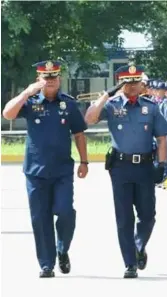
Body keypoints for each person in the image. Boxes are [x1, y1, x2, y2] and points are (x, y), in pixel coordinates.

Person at [2, 60, 88, 278]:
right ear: (38, 80)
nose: (50, 81)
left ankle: (62, 249)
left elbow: (79, 134)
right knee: (40, 219)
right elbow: (7, 114)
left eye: (54, 77)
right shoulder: (30, 102)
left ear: (59, 79)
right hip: (35, 171)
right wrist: (26, 93)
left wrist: (84, 161)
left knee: (66, 213)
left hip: (61, 171)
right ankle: (47, 264)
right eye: (46, 78)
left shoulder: (67, 104)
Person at [84, 64, 167, 278]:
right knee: (124, 218)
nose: (132, 86)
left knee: (148, 216)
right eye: (127, 82)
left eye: (135, 81)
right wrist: (106, 95)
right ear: (120, 83)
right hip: (120, 167)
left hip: (144, 167)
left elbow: (162, 139)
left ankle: (139, 245)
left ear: (142, 83)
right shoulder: (112, 105)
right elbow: (89, 118)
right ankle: (130, 263)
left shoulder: (150, 107)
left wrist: (161, 164)